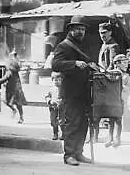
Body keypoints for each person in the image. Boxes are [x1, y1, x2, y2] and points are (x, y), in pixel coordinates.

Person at [52, 15, 96, 166]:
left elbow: (87, 61)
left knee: (83, 123)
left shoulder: (84, 45)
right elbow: (55, 65)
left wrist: (92, 65)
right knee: (72, 123)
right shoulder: (63, 46)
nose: (80, 31)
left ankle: (79, 153)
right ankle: (69, 155)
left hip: (85, 90)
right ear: (70, 30)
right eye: (77, 29)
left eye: (82, 29)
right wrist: (74, 63)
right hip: (70, 92)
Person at [91, 21, 121, 142]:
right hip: (100, 80)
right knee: (96, 110)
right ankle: (95, 136)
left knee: (111, 111)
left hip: (109, 82)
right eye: (100, 33)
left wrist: (104, 72)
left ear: (110, 33)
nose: (102, 35)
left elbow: (113, 64)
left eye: (104, 33)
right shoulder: (103, 45)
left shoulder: (113, 46)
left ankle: (111, 137)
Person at [104, 54, 130, 148]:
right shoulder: (110, 74)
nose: (126, 65)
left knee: (118, 120)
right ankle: (110, 138)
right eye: (124, 63)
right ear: (117, 64)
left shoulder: (126, 76)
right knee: (110, 120)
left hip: (120, 100)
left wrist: (122, 86)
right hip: (110, 100)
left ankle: (117, 138)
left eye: (127, 63)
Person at [0, 53, 26, 124]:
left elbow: (3, 79)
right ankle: (21, 117)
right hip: (17, 89)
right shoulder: (15, 72)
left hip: (12, 90)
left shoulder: (9, 72)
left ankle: (17, 113)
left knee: (8, 102)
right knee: (18, 104)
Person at [45, 72, 65, 141]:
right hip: (53, 108)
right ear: (52, 80)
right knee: (53, 121)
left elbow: (66, 98)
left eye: (59, 80)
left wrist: (62, 101)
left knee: (62, 120)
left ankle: (63, 133)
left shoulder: (64, 89)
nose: (57, 82)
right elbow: (47, 97)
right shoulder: (51, 89)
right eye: (55, 80)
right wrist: (50, 101)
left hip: (62, 108)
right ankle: (55, 133)